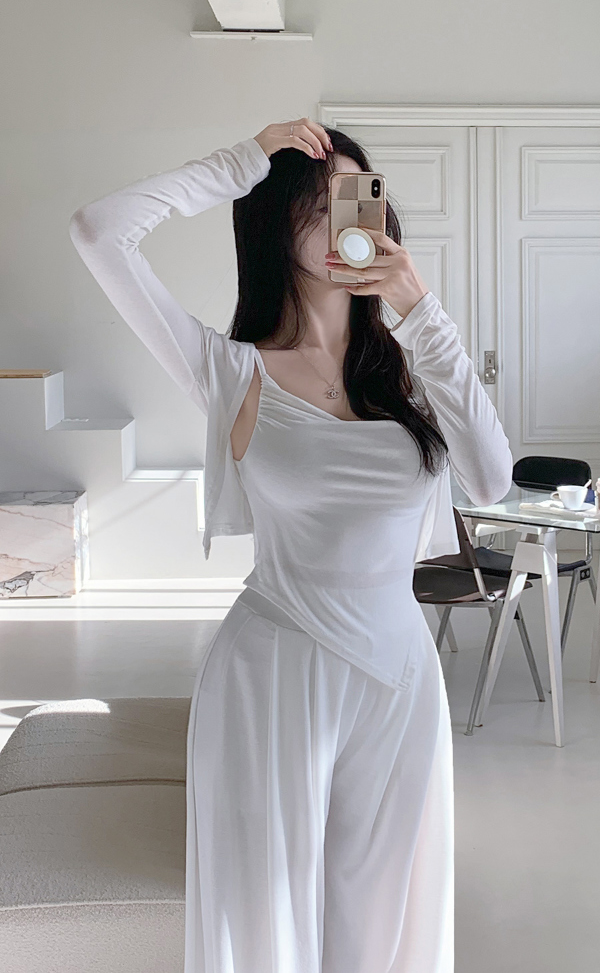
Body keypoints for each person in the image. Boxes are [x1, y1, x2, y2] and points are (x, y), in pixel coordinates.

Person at [69, 116, 513, 973]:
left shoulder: (412, 370)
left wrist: (419, 307)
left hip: (400, 675)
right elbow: (98, 231)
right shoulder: (229, 370)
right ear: (274, 222)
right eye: (312, 200)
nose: (339, 216)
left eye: (352, 195)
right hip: (274, 671)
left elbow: (491, 479)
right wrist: (242, 159)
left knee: (388, 923)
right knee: (264, 919)